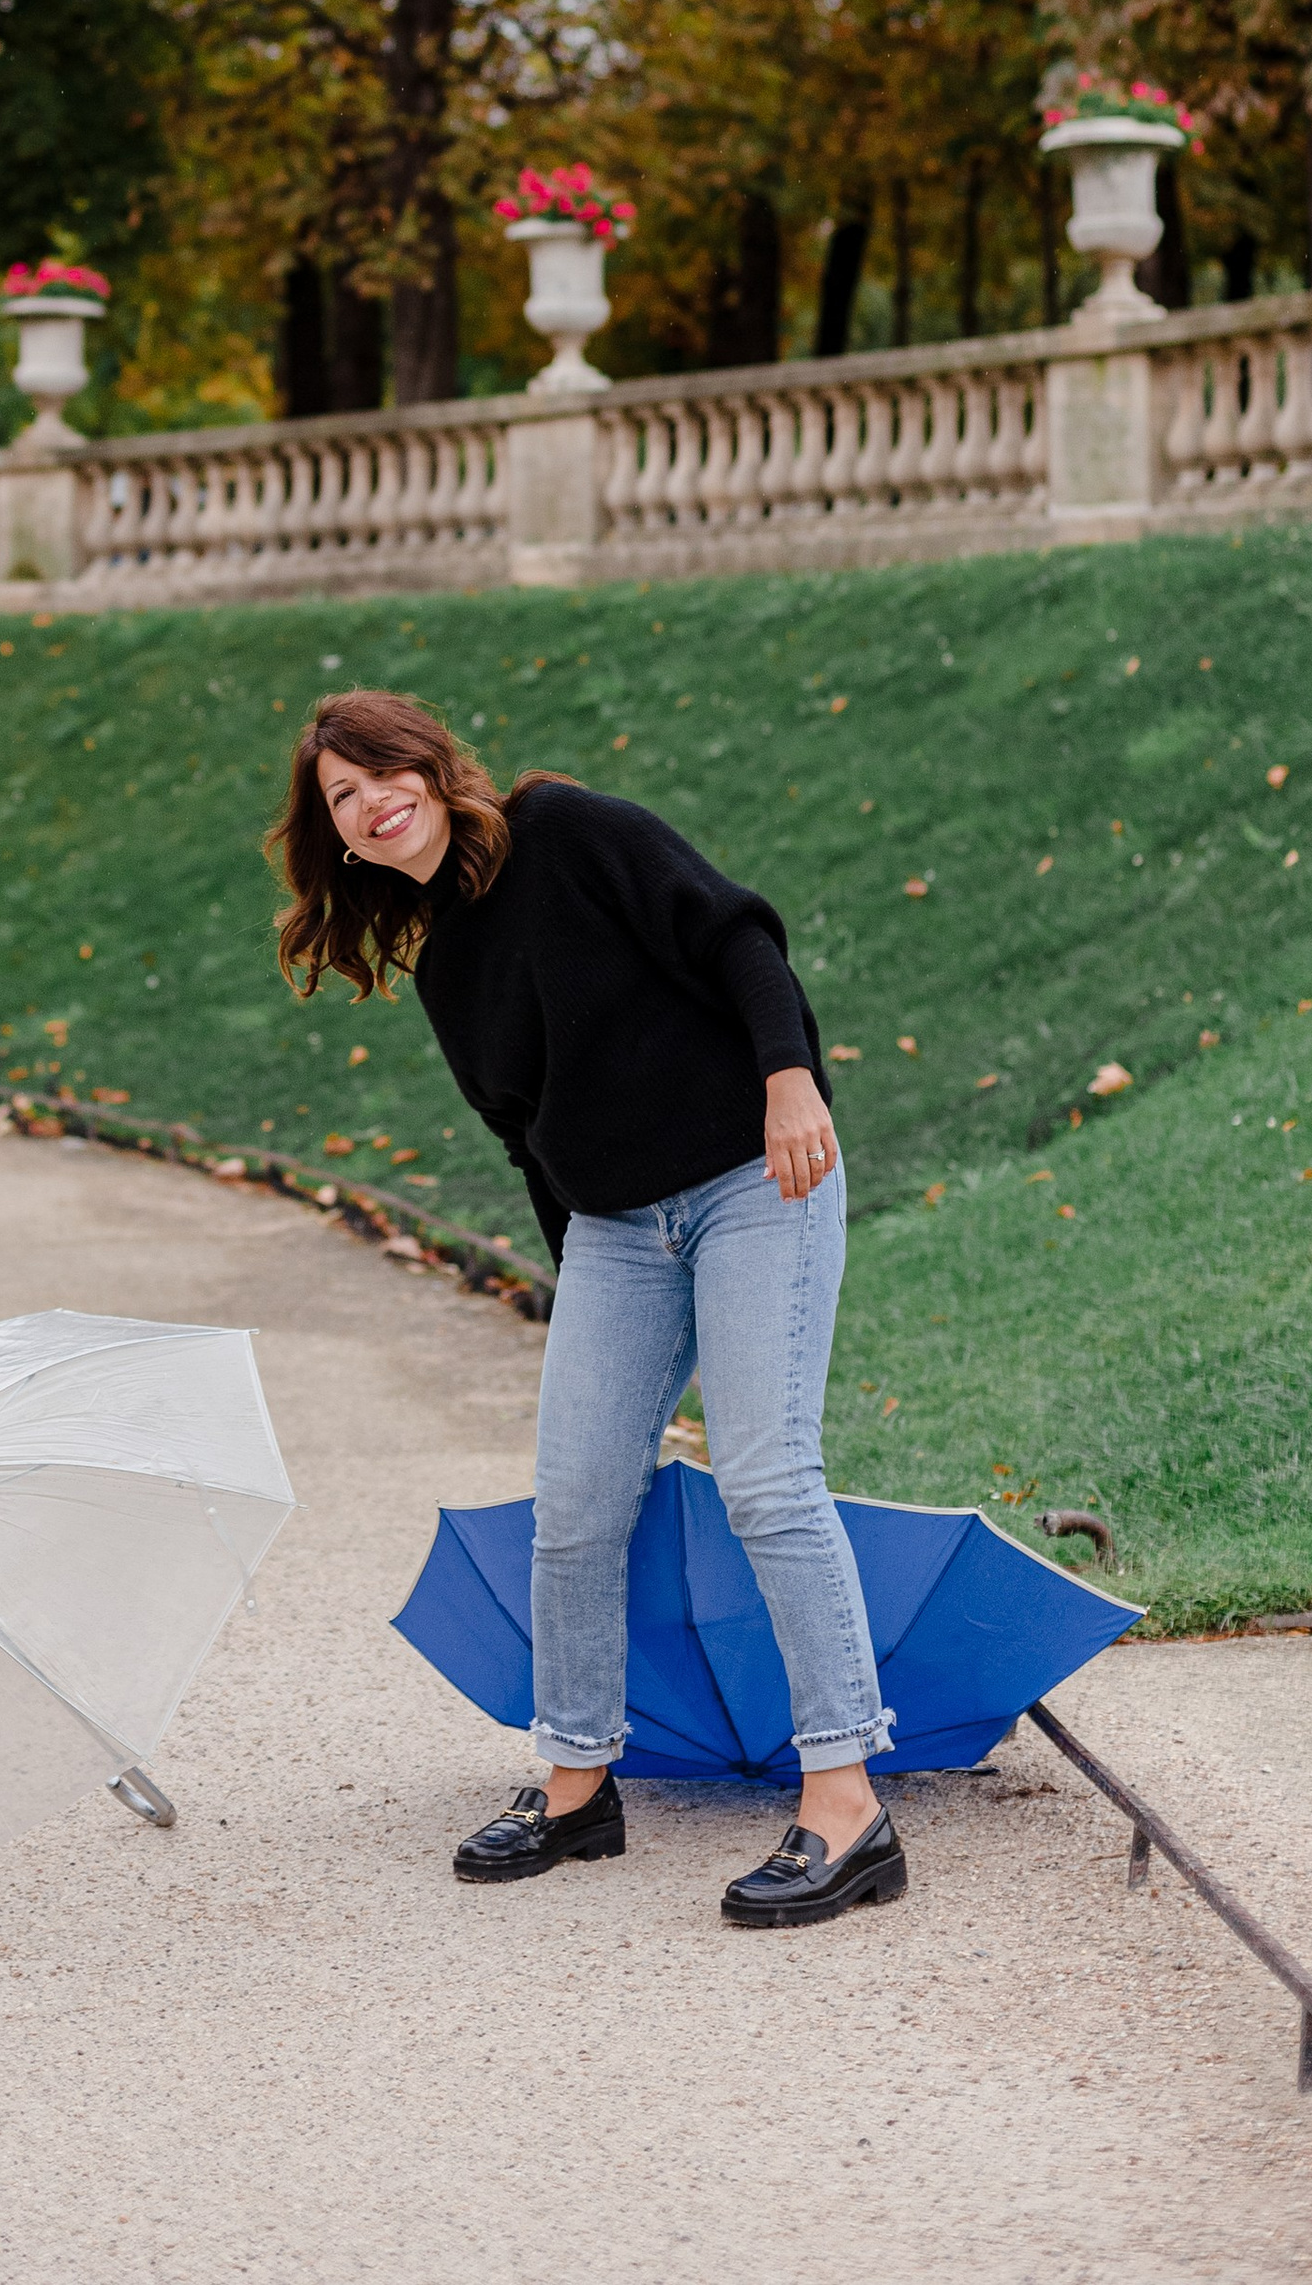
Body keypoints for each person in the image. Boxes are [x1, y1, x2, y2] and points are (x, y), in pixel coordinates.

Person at [271, 688, 903, 1930]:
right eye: (343, 797)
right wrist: (585, 1296)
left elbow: (737, 938)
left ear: (433, 767)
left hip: (755, 1180)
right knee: (572, 1505)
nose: (370, 801)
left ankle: (846, 1804)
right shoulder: (446, 967)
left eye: (380, 771)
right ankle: (575, 1785)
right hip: (618, 1235)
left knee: (767, 1478)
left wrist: (790, 1081)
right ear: (340, 838)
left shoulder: (564, 829)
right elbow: (532, 1144)